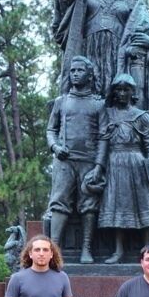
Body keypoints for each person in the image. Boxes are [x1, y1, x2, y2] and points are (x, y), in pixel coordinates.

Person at [53, 0, 149, 112]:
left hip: (119, 56)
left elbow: (147, 29)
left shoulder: (131, 0)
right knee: (89, 97)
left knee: (117, 99)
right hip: (90, 52)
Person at [46, 56, 108, 263]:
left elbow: (103, 137)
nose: (75, 74)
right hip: (65, 161)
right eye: (72, 71)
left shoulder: (99, 105)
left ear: (89, 75)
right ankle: (53, 249)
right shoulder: (61, 102)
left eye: (80, 71)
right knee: (59, 202)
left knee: (89, 204)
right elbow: (50, 129)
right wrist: (55, 147)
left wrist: (99, 165)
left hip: (88, 161)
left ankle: (86, 249)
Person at [98, 73, 149, 264]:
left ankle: (147, 252)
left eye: (126, 89)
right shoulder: (107, 114)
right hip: (114, 164)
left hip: (137, 165)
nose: (123, 93)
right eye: (119, 89)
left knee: (143, 207)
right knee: (117, 208)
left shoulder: (141, 117)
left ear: (132, 93)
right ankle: (118, 251)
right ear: (114, 92)